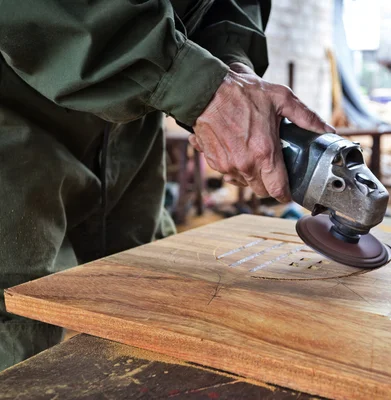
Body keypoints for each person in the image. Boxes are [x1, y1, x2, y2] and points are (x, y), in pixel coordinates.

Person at [0, 0, 333, 370]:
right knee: (13, 326)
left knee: (151, 297)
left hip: (127, 120)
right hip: (14, 107)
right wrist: (196, 84)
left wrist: (228, 62)